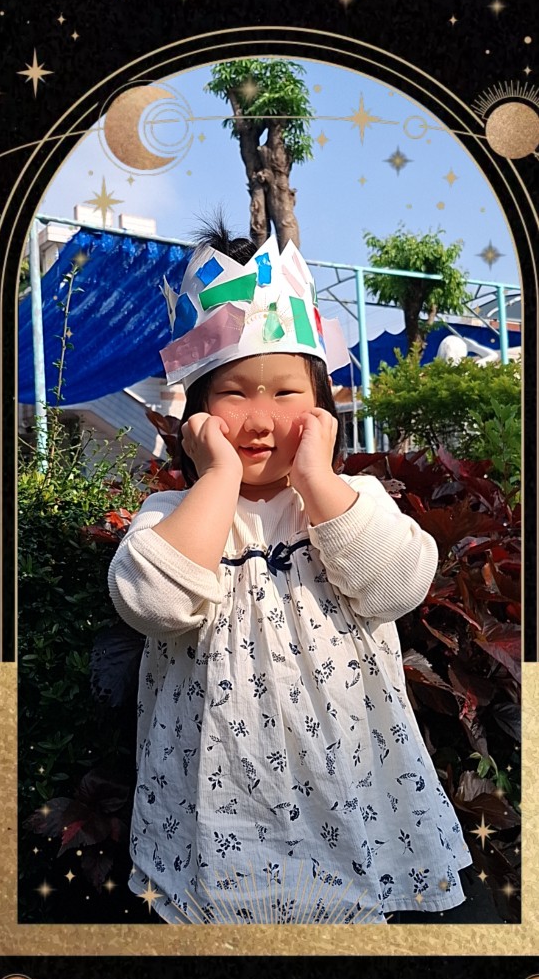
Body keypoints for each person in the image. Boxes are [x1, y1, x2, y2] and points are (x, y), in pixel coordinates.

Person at [108, 215, 473, 925]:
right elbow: (153, 604)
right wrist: (217, 479)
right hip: (220, 800)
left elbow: (398, 586)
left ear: (322, 409)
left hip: (351, 792)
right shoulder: (175, 514)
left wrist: (318, 480)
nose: (259, 419)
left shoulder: (349, 501)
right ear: (196, 414)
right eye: (233, 393)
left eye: (285, 393)